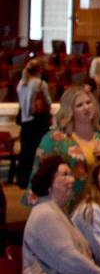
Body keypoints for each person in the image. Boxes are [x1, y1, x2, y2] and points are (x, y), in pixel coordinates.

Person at [27, 86, 100, 207]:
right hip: (67, 206)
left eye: (89, 102)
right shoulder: (54, 139)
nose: (86, 107)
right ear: (70, 111)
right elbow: (40, 176)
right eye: (79, 105)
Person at [16, 59, 51, 188]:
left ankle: (22, 179)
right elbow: (47, 101)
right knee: (38, 151)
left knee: (25, 151)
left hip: (25, 122)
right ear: (40, 70)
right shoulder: (40, 83)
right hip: (37, 122)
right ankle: (35, 178)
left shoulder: (21, 83)